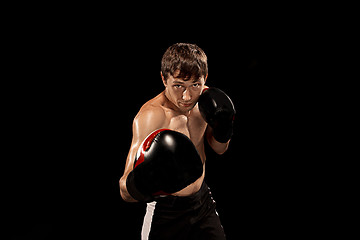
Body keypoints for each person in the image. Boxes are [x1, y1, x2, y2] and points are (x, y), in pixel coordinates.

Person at [119, 43, 235, 240]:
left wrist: (224, 129)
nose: (187, 97)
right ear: (164, 79)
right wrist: (147, 179)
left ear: (204, 79)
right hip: (166, 213)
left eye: (195, 85)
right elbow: (124, 190)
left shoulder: (207, 102)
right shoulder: (152, 116)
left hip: (202, 202)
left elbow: (220, 149)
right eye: (178, 85)